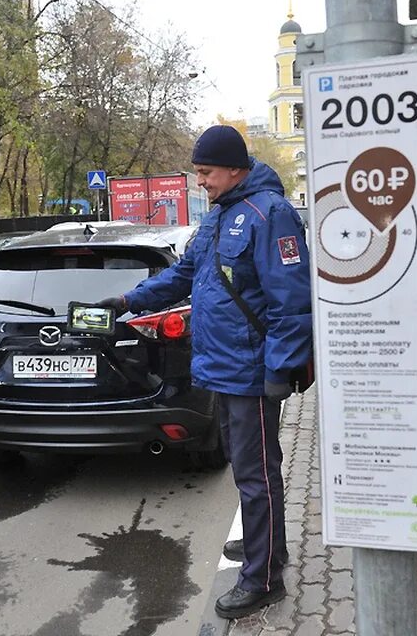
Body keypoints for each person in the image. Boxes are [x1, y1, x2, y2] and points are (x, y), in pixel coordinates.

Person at [98, 125, 312, 618]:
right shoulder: (220, 217)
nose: (201, 183)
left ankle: (263, 579)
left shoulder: (270, 214)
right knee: (252, 468)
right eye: (197, 173)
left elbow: (292, 303)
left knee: (256, 474)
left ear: (234, 169)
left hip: (254, 371)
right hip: (224, 367)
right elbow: (184, 274)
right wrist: (129, 301)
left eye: (206, 173)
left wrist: (280, 368)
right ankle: (268, 547)